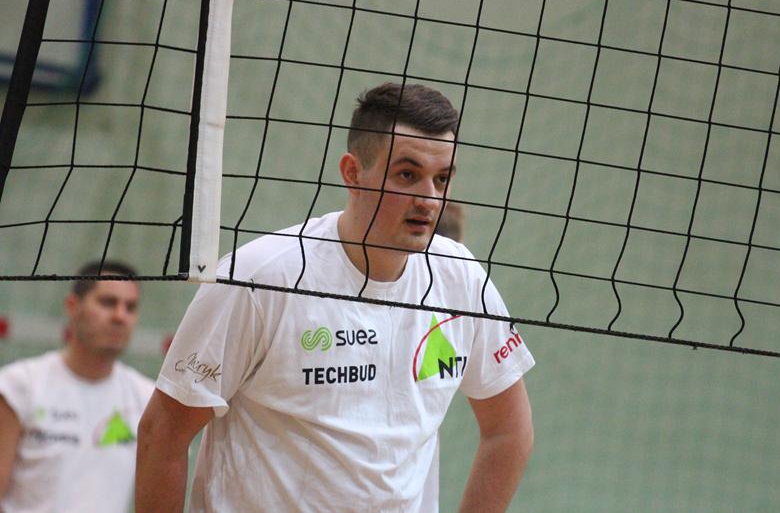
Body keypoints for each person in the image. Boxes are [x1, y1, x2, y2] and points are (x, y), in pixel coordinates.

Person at [136, 82, 535, 512]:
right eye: (407, 175)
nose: (429, 199)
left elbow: (509, 431)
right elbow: (163, 433)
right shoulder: (259, 278)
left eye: (441, 179)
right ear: (352, 172)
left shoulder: (462, 278)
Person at [0, 261, 154, 513]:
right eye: (108, 302)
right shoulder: (18, 386)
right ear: (73, 306)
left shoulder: (147, 398)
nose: (120, 316)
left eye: (130, 307)